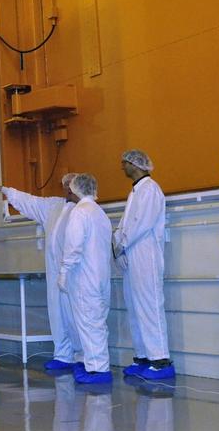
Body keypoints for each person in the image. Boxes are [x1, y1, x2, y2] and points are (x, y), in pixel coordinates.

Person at [0, 174, 81, 372]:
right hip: (55, 271)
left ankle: (82, 358)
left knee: (77, 315)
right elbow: (28, 201)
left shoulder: (86, 210)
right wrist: (2, 189)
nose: (66, 189)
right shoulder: (54, 206)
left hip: (78, 273)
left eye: (70, 186)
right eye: (65, 186)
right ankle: (63, 355)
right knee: (57, 312)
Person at [114, 149, 174, 380]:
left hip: (146, 255)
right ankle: (143, 356)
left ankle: (160, 360)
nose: (122, 167)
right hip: (132, 256)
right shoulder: (135, 192)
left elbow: (140, 224)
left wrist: (122, 243)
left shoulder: (150, 190)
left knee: (150, 306)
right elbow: (126, 224)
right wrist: (118, 245)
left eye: (124, 163)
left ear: (134, 164)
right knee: (134, 307)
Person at [58, 173, 113, 385]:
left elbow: (73, 246)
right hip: (101, 277)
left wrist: (64, 272)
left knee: (89, 323)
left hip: (84, 278)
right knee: (97, 323)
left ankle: (98, 370)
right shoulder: (99, 213)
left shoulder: (80, 213)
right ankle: (96, 365)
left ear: (76, 190)